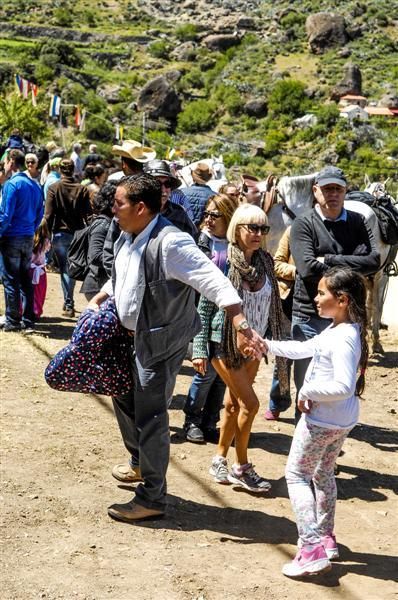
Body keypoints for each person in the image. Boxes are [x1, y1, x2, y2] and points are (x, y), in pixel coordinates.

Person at [87, 174, 267, 523]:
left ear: (141, 207)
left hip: (159, 342)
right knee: (123, 397)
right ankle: (141, 463)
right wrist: (105, 293)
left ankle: (152, 497)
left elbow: (213, 280)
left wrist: (241, 324)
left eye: (119, 203)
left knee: (152, 416)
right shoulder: (128, 234)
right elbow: (126, 273)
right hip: (130, 336)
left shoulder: (172, 243)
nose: (113, 208)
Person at [264, 267, 368, 577]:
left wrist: (307, 390)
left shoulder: (344, 338)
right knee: (323, 474)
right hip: (339, 421)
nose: (315, 298)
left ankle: (310, 548)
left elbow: (343, 385)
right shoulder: (340, 328)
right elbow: (305, 348)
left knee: (296, 476)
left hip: (322, 421)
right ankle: (326, 538)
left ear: (342, 299)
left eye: (322, 293)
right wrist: (265, 344)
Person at [193, 204, 288, 492]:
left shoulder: (266, 263)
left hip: (255, 346)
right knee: (251, 404)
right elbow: (205, 304)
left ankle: (220, 459)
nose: (258, 233)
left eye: (263, 228)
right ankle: (241, 467)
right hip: (224, 344)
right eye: (252, 227)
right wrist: (199, 347)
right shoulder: (223, 261)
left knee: (234, 405)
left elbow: (272, 304)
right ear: (237, 229)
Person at [290, 166, 380, 422]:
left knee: (339, 379)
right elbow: (307, 268)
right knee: (307, 382)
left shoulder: (357, 221)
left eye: (338, 189)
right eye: (327, 189)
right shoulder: (304, 223)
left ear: (345, 191)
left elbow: (373, 260)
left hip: (347, 316)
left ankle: (328, 433)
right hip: (310, 311)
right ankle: (304, 434)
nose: (333, 194)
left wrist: (328, 258)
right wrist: (353, 262)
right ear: (316, 190)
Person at [183, 193, 238, 443]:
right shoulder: (197, 241)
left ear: (227, 217)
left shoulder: (235, 245)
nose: (207, 219)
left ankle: (209, 422)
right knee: (203, 369)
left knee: (221, 375)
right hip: (199, 311)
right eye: (206, 214)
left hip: (225, 316)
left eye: (214, 215)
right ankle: (191, 420)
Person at [0, 149, 43, 331]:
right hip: (27, 236)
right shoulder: (35, 186)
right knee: (26, 279)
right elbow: (40, 214)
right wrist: (30, 230)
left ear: (11, 162)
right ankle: (28, 319)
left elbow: (6, 215)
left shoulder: (12, 184)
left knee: (10, 280)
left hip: (12, 236)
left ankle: (12, 320)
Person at [45, 158, 92, 317]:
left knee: (65, 268)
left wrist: (45, 235)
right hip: (77, 234)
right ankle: (69, 303)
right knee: (69, 269)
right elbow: (88, 215)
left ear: (59, 169)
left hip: (59, 234)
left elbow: (48, 215)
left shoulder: (54, 188)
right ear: (73, 170)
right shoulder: (82, 189)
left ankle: (68, 304)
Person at [265, 226, 295, 420]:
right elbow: (277, 264)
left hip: (324, 302)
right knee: (283, 356)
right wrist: (299, 270)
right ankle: (277, 401)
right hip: (290, 300)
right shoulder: (293, 231)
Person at [80, 181, 116, 301]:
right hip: (97, 286)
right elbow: (94, 255)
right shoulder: (102, 224)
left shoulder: (112, 222)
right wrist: (120, 261)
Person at [30, 218, 51, 320]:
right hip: (41, 271)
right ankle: (37, 311)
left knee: (28, 292)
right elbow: (47, 251)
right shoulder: (46, 242)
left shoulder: (30, 240)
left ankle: (26, 310)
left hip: (30, 269)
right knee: (39, 293)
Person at [183, 162, 214, 226]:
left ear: (193, 177)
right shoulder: (215, 196)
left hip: (183, 231)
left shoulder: (181, 192)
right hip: (203, 232)